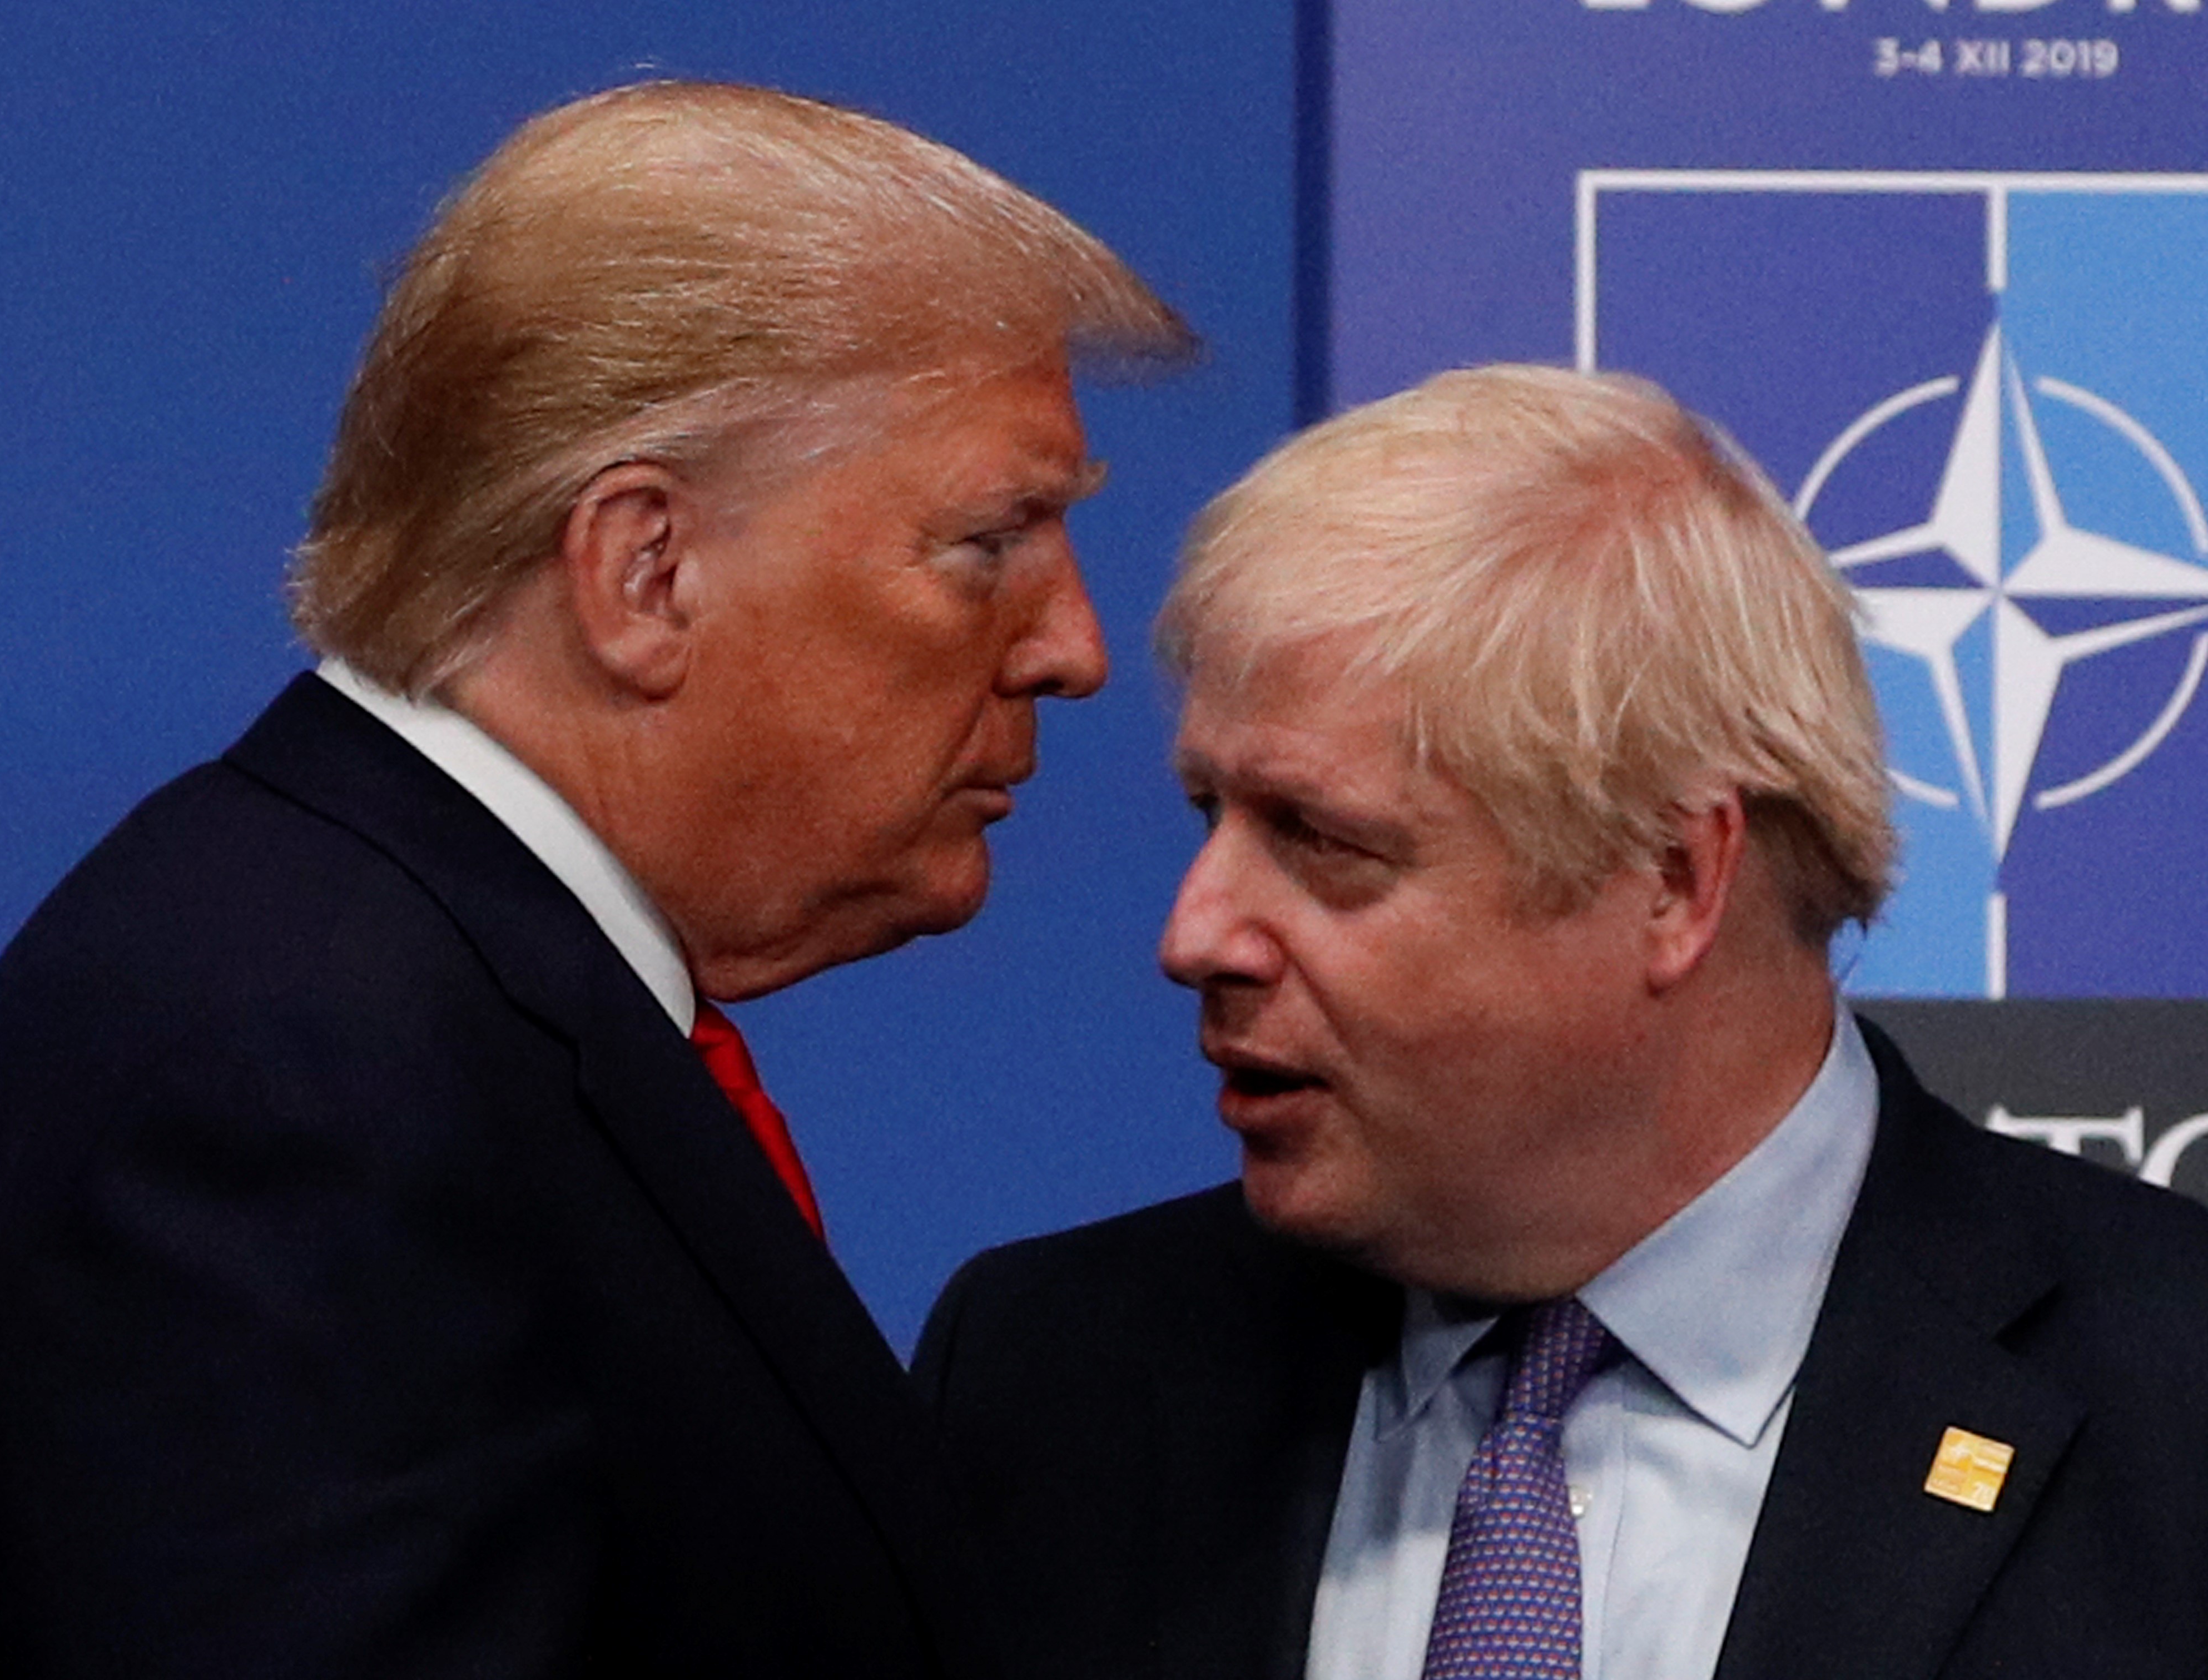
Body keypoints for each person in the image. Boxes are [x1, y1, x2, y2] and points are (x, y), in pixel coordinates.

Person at [0, 81, 1190, 1677]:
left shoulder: (387, 983)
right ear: (644, 570)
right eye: (991, 538)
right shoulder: (296, 1078)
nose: (1074, 645)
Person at [914, 366, 2208, 1680]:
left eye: (1319, 838)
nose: (1195, 934)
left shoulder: (2174, 1401)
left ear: (1671, 876)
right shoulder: (1052, 1380)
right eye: (1212, 813)